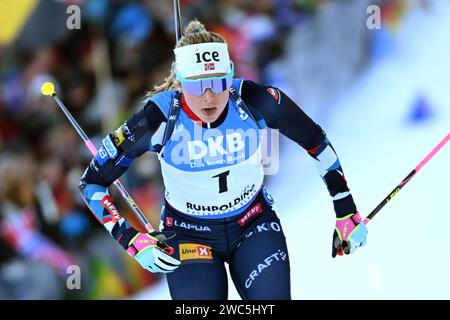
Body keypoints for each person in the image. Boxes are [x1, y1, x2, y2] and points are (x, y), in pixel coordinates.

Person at [79, 20, 368, 300]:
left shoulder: (255, 100)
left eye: (218, 83)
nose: (208, 98)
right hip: (188, 235)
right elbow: (92, 183)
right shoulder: (157, 118)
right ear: (179, 83)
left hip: (253, 223)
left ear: (229, 75)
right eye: (196, 86)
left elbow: (316, 142)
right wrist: (130, 239)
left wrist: (346, 211)